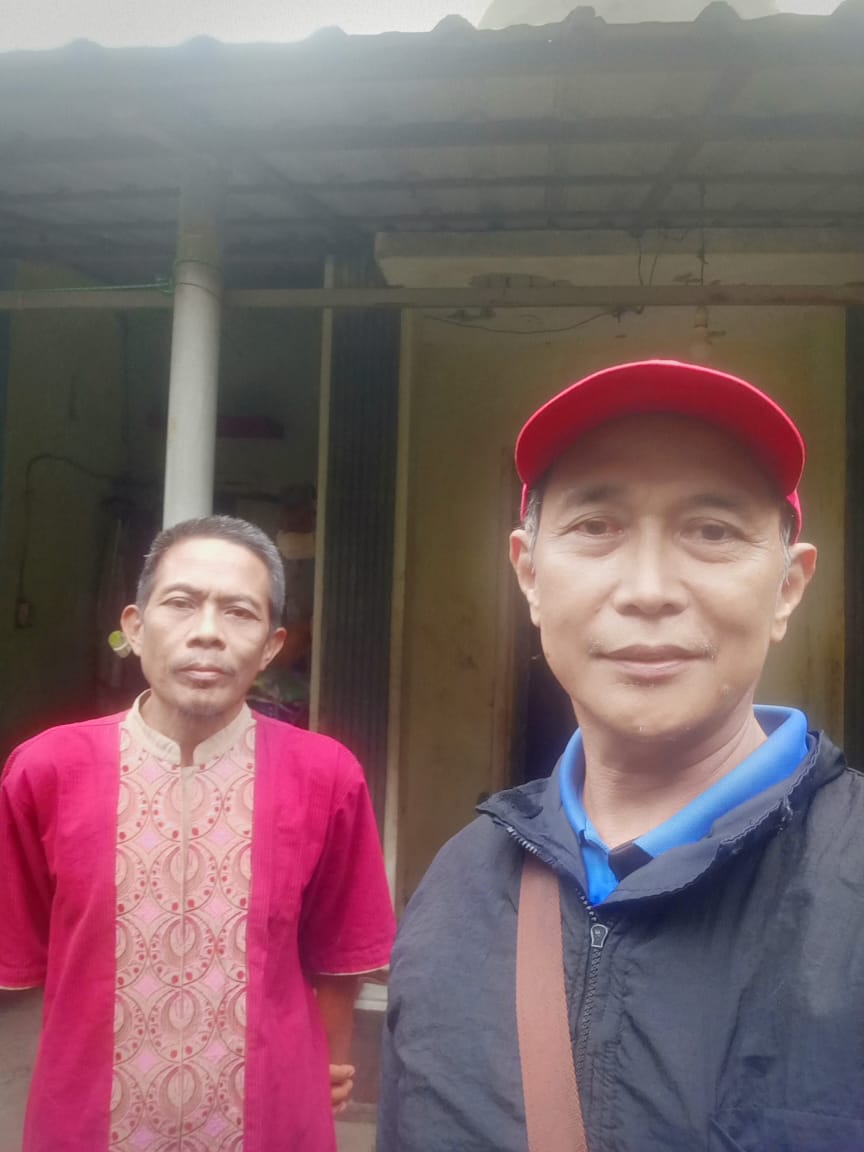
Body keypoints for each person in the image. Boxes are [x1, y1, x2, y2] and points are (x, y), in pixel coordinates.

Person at [378, 359, 864, 1151]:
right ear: (529, 575)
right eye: (596, 527)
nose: (647, 588)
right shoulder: (459, 886)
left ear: (787, 587)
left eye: (712, 531)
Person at [0, 515, 395, 1152]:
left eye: (239, 612)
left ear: (270, 645)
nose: (208, 632)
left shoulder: (326, 776)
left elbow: (341, 949)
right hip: (84, 1125)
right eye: (181, 603)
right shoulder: (46, 771)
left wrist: (327, 1061)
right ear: (135, 626)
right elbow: (28, 950)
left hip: (272, 1125)